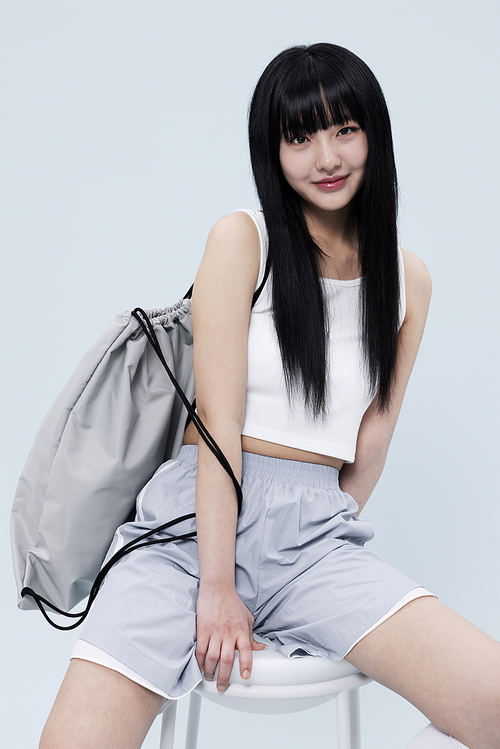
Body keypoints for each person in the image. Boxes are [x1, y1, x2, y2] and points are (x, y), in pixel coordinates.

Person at [39, 43, 499, 749]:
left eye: (345, 127)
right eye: (300, 135)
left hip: (316, 538)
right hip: (190, 532)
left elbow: (370, 445)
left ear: (374, 131)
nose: (327, 155)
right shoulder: (242, 239)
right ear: (273, 149)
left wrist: (315, 542)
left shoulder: (409, 280)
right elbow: (220, 421)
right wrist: (218, 586)